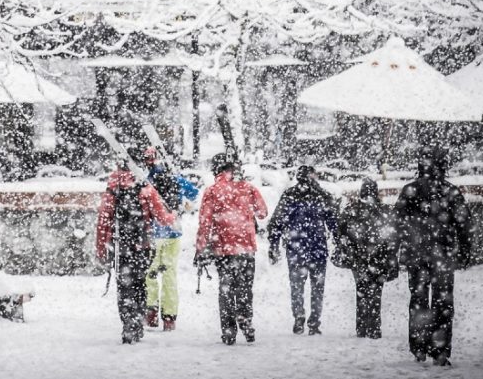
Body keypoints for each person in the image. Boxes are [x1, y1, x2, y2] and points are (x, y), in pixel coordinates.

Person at [394, 153, 471, 367]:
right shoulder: (450, 191)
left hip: (416, 254)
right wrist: (464, 251)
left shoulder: (410, 190)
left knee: (418, 300)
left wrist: (394, 252)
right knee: (443, 302)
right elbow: (463, 224)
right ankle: (440, 350)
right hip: (442, 256)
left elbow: (396, 224)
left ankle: (419, 348)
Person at [95, 158, 176, 344]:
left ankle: (127, 324)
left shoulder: (112, 190)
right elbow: (162, 218)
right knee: (140, 284)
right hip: (142, 247)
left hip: (121, 247)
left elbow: (103, 222)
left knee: (124, 288)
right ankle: (137, 322)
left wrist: (101, 248)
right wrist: (174, 216)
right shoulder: (145, 188)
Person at [193, 153, 268, 345]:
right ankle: (245, 318)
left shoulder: (212, 191)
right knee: (245, 287)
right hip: (246, 247)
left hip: (223, 248)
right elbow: (262, 212)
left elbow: (205, 223)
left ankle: (228, 330)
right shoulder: (248, 188)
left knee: (226, 289)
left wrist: (200, 248)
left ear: (216, 170)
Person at [268, 165, 338, 335]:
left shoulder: (290, 195)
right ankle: (314, 322)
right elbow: (334, 222)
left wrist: (274, 244)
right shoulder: (321, 195)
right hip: (317, 248)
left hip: (296, 248)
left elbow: (277, 221)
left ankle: (299, 316)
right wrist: (339, 241)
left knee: (297, 286)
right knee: (317, 287)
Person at [142, 146, 200, 331]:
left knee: (149, 274)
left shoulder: (145, 180)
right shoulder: (176, 179)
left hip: (152, 235)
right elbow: (193, 193)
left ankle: (151, 311)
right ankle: (169, 318)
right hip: (173, 232)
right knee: (170, 276)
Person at [335, 177, 399, 339]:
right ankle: (374, 327)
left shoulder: (352, 210)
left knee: (361, 290)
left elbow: (340, 232)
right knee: (376, 292)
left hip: (358, 258)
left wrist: (348, 248)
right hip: (379, 258)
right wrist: (389, 253)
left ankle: (362, 327)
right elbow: (394, 235)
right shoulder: (384, 210)